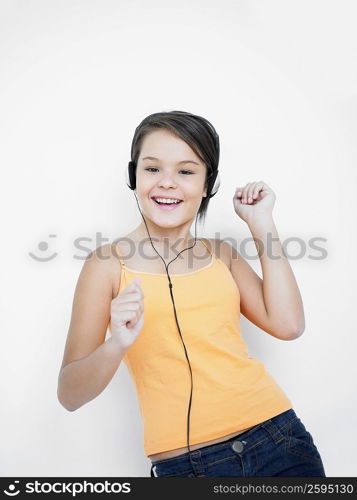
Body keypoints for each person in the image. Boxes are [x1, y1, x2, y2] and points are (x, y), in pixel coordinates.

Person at [57, 110, 326, 477]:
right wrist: (115, 344)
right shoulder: (105, 264)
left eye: (186, 171)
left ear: (207, 183)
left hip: (279, 443)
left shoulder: (222, 255)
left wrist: (262, 224)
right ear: (133, 176)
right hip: (187, 468)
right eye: (152, 169)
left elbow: (289, 324)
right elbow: (70, 395)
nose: (167, 183)